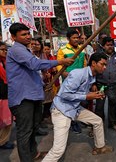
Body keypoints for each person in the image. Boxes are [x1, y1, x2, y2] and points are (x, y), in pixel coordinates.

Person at [6, 23, 74, 162]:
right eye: (23, 34)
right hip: (23, 98)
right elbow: (35, 65)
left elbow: (33, 72)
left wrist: (43, 84)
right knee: (25, 132)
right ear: (13, 37)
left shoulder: (25, 50)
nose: (28, 37)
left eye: (28, 33)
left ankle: (33, 154)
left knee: (33, 128)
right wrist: (60, 61)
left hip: (33, 95)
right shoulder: (16, 50)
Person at [42, 53, 113, 162]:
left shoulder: (92, 76)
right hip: (62, 110)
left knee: (97, 121)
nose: (105, 67)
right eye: (102, 64)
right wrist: (87, 96)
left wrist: (94, 93)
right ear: (93, 63)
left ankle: (99, 147)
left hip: (74, 108)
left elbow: (79, 92)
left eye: (105, 65)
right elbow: (64, 94)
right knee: (58, 150)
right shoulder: (78, 74)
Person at [57, 29, 87, 134]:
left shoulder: (82, 49)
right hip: (69, 80)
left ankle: (77, 119)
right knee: (69, 101)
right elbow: (59, 64)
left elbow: (84, 63)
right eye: (73, 38)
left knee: (78, 100)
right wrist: (63, 72)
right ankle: (71, 123)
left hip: (80, 80)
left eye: (77, 37)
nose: (76, 40)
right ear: (68, 39)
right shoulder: (63, 50)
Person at [95, 37, 116, 131]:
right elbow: (93, 70)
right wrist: (93, 84)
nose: (110, 47)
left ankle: (113, 123)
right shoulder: (98, 56)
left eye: (111, 45)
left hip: (114, 85)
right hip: (101, 85)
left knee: (113, 104)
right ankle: (99, 124)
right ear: (103, 46)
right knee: (99, 105)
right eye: (108, 45)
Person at [0, 41, 14, 150]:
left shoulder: (6, 63)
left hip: (6, 96)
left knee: (7, 122)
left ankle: (2, 142)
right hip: (2, 96)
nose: (5, 51)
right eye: (2, 50)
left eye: (6, 50)